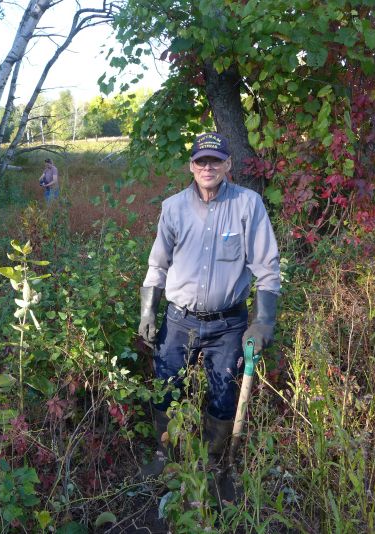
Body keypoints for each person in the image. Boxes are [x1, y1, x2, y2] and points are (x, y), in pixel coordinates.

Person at [137, 132, 281, 495]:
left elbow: (266, 266)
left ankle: (217, 463)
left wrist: (263, 321)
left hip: (229, 323)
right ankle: (165, 453)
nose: (208, 167)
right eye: (201, 161)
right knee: (167, 387)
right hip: (179, 319)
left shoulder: (249, 205)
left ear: (228, 165)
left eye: (215, 160)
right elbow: (158, 265)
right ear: (191, 166)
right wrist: (147, 312)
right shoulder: (173, 208)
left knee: (222, 394)